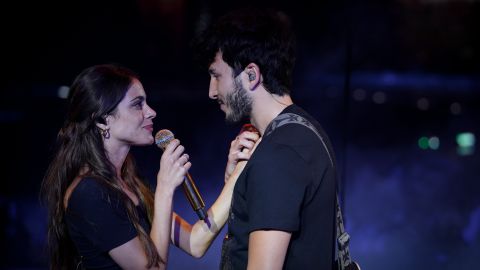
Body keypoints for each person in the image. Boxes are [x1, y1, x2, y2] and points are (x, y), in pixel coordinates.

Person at [40, 64, 259, 269]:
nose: (151, 112)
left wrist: (239, 170)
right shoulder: (89, 192)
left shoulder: (128, 182)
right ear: (102, 120)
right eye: (138, 104)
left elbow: (195, 242)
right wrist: (164, 188)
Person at [193, 8, 338, 269]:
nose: (212, 92)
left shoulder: (279, 153)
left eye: (217, 76)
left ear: (251, 75)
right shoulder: (303, 131)